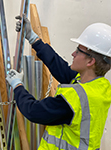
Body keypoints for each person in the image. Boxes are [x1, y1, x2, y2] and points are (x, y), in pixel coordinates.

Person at [6, 14, 111, 150]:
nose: (73, 54)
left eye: (78, 51)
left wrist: (17, 86)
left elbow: (34, 111)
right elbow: (60, 67)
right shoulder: (100, 87)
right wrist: (33, 38)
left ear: (91, 61)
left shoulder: (73, 101)